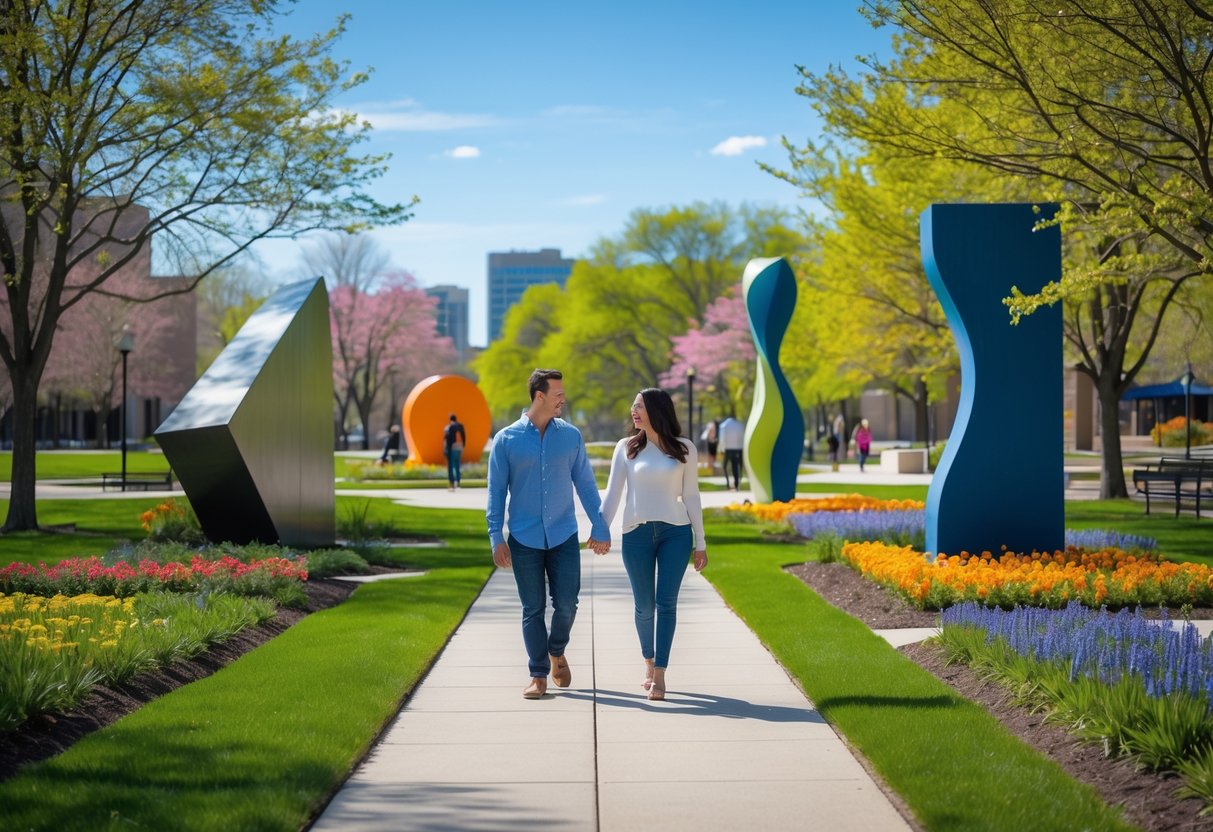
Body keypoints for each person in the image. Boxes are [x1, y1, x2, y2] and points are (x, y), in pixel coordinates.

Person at [486, 369, 610, 700]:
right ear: (539, 396)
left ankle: (557, 650)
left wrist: (599, 525)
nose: (563, 399)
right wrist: (495, 536)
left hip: (563, 534)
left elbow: (585, 482)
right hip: (524, 538)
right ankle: (538, 675)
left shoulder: (570, 437)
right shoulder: (506, 440)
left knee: (568, 604)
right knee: (533, 608)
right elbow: (496, 492)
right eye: (557, 394)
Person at [601, 388, 707, 701]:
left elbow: (691, 496)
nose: (634, 412)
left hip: (676, 533)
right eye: (633, 406)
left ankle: (660, 672)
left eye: (640, 407)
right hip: (636, 533)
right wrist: (600, 529)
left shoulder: (684, 448)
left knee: (667, 603)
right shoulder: (626, 448)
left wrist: (700, 542)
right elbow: (613, 494)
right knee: (644, 606)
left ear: (656, 411)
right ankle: (648, 661)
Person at [718, 414, 744, 491]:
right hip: (737, 449)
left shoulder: (724, 425)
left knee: (725, 466)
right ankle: (736, 484)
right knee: (735, 467)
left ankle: (728, 484)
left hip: (727, 449)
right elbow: (741, 437)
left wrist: (721, 449)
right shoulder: (739, 425)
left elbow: (722, 438)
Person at [443, 413, 467, 490]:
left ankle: (452, 483)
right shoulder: (460, 426)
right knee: (457, 465)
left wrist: (446, 449)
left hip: (452, 448)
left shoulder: (449, 427)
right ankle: (459, 482)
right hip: (459, 447)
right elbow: (464, 436)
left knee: (451, 466)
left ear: (450, 419)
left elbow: (446, 439)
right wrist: (463, 445)